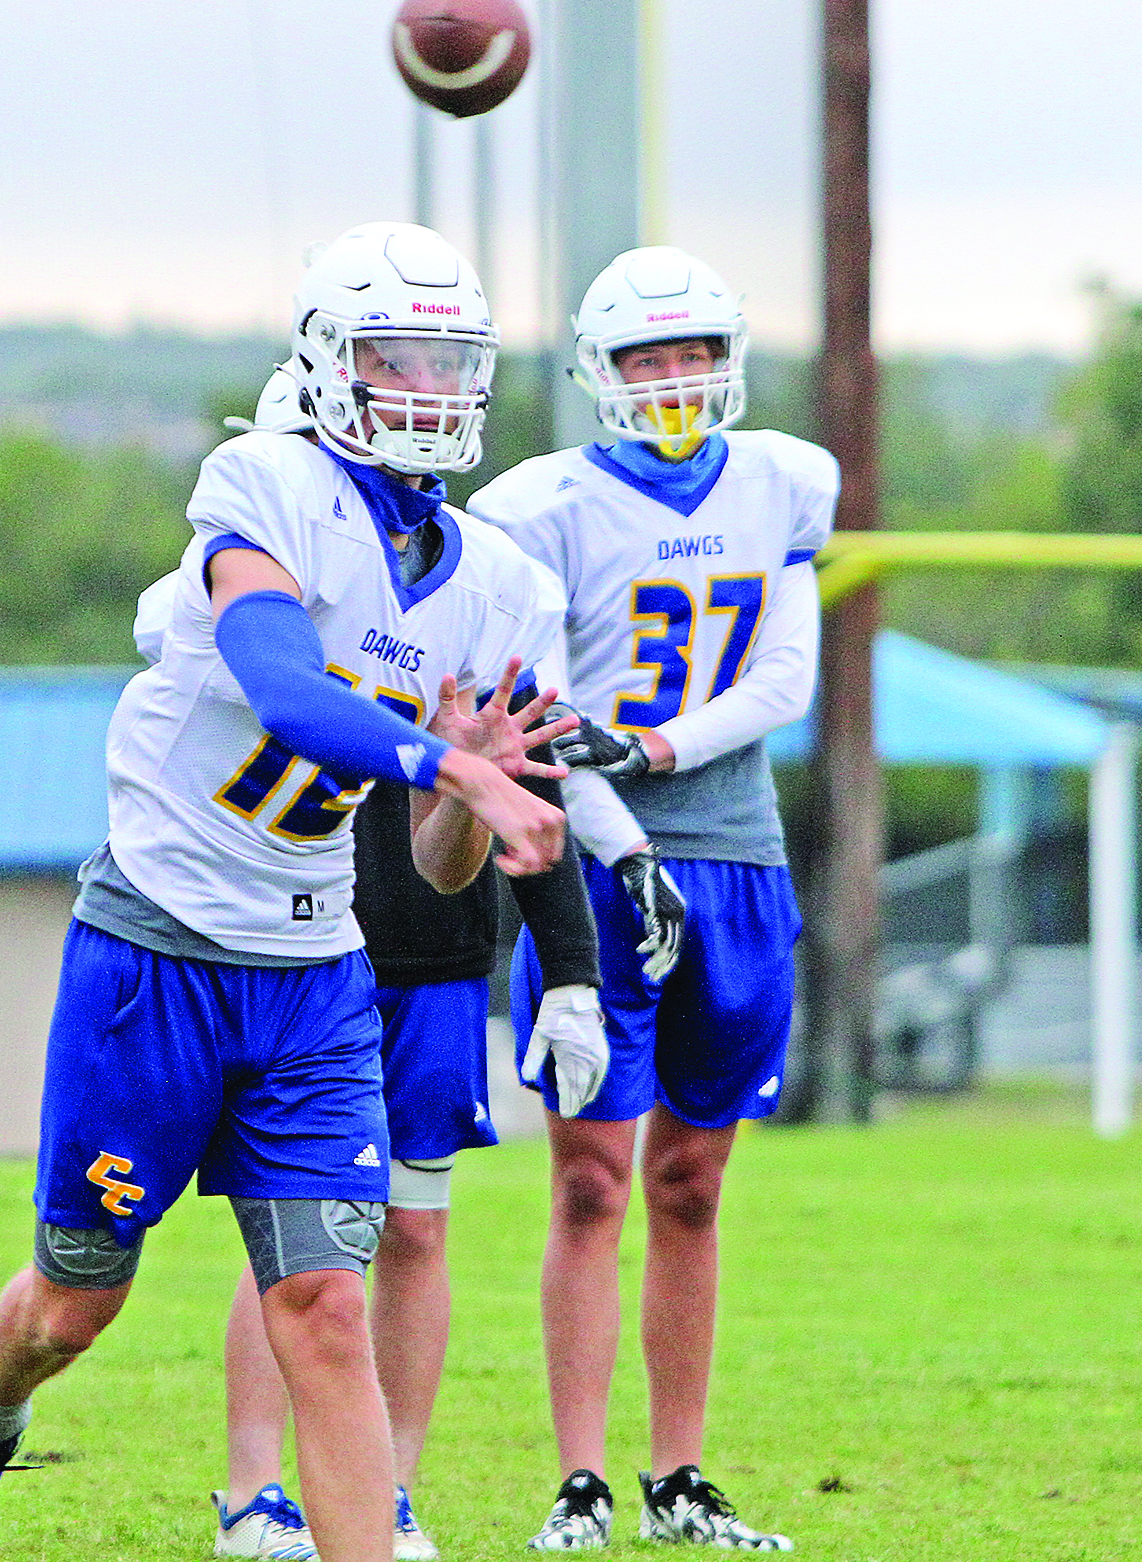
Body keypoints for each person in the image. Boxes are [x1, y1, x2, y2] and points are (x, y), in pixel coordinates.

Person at [0, 224, 571, 1562]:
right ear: (328, 363)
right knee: (74, 1303)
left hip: (315, 967)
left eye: (452, 362)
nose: (431, 391)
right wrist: (454, 762)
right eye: (399, 360)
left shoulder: (504, 586)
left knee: (325, 1306)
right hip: (155, 950)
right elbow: (281, 683)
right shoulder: (265, 483)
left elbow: (439, 860)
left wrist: (461, 798)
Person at [171, 369, 613, 1562]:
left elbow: (521, 779)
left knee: (412, 1223)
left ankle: (387, 1490)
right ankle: (257, 1489)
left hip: (428, 942)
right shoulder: (259, 565)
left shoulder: (476, 584)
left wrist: (569, 966)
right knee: (297, 1238)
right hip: (282, 929)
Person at [471, 247, 836, 1552]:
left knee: (693, 1178)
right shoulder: (540, 508)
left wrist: (660, 751)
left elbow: (785, 679)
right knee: (589, 1180)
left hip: (734, 851)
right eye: (645, 358)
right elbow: (540, 712)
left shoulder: (784, 480)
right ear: (597, 373)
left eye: (693, 353)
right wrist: (624, 841)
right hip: (592, 852)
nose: (675, 381)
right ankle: (580, 1481)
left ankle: (679, 1479)